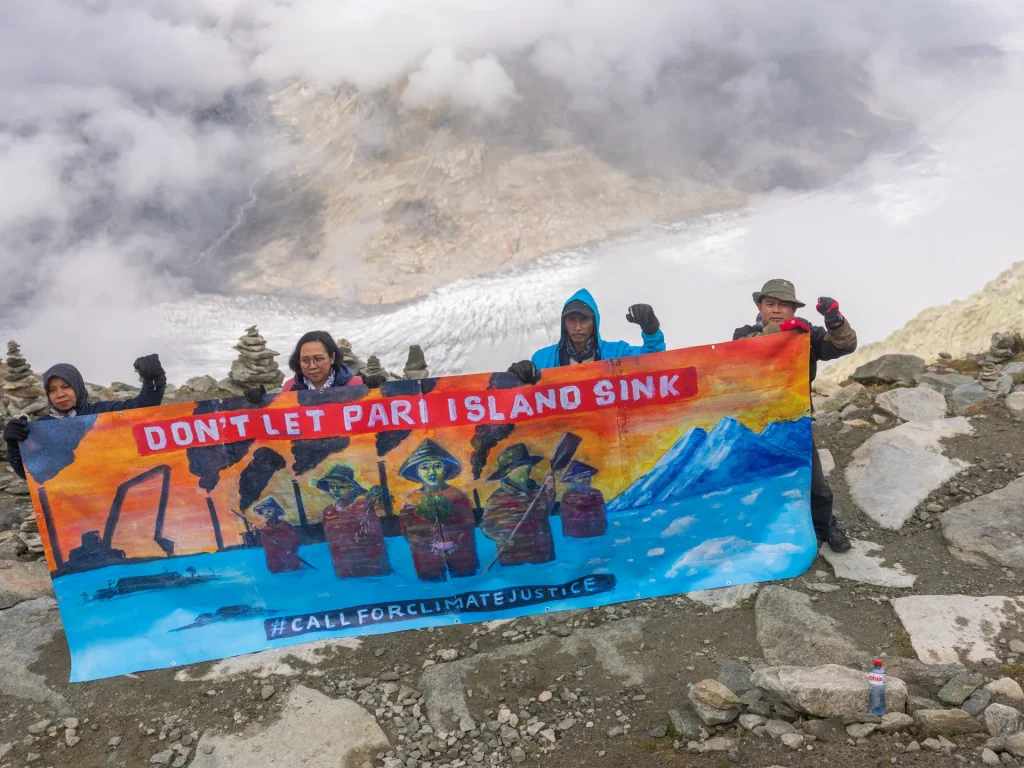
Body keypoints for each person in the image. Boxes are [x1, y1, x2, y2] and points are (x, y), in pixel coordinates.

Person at [732, 278, 857, 553]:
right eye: (771, 304)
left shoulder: (807, 334)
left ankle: (826, 528)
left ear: (794, 309)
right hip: (757, 425)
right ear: (759, 306)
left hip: (796, 423)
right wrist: (781, 332)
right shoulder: (744, 333)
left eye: (784, 306)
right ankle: (764, 534)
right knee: (760, 484)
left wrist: (834, 320)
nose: (777, 310)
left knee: (817, 487)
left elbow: (844, 346)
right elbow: (744, 350)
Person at [3, 355, 166, 480]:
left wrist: (154, 380)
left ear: (78, 387)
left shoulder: (103, 413)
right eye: (52, 390)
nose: (59, 394)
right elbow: (29, 474)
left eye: (66, 387)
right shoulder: (43, 428)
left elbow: (143, 407)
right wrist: (14, 445)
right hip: (72, 511)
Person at [506, 289, 665, 384]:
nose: (577, 327)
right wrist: (516, 375)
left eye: (584, 320)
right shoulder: (542, 359)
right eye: (571, 320)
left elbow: (652, 361)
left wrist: (651, 330)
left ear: (594, 322)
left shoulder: (617, 353)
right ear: (564, 324)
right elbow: (521, 397)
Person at [397, 439, 479, 581]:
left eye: (437, 466)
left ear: (445, 469)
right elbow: (408, 531)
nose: (431, 472)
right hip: (428, 563)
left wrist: (455, 543)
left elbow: (467, 525)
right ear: (417, 472)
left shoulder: (457, 496)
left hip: (461, 561)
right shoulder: (411, 501)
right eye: (425, 467)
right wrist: (429, 545)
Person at [244, 331, 384, 403]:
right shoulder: (290, 389)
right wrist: (259, 403)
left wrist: (381, 392)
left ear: (332, 357)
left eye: (318, 359)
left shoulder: (357, 385)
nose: (312, 366)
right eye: (305, 360)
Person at [480, 443, 556, 566]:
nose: (526, 468)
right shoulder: (497, 499)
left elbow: (544, 511)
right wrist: (501, 536)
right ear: (506, 472)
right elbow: (486, 525)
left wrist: (550, 491)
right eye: (520, 465)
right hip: (515, 559)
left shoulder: (538, 491)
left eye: (527, 463)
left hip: (543, 556)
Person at [315, 463, 391, 578]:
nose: (335, 490)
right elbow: (331, 540)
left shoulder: (363, 507)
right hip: (343, 567)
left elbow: (375, 536)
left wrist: (364, 539)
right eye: (332, 486)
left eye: (341, 486)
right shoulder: (328, 512)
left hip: (370, 566)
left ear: (352, 488)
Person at [252, 496, 304, 574]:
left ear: (276, 512)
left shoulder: (284, 526)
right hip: (274, 563)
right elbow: (265, 543)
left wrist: (290, 548)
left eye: (269, 511)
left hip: (288, 559)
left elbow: (295, 538)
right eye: (264, 511)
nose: (266, 513)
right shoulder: (265, 528)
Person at [559, 460, 607, 538]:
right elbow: (566, 520)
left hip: (598, 535)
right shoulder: (568, 497)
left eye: (587, 476)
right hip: (576, 538)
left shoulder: (596, 494)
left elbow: (602, 513)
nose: (586, 480)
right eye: (581, 478)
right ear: (573, 480)